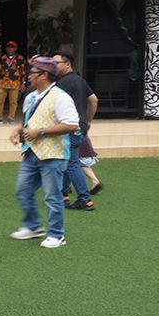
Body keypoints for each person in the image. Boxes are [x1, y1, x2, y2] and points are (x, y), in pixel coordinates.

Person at [9, 56, 79, 249]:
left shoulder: (61, 97)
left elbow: (72, 125)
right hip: (31, 152)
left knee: (52, 195)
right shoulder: (31, 96)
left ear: (44, 75)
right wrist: (18, 130)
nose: (29, 76)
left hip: (53, 155)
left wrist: (40, 132)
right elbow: (28, 122)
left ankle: (57, 234)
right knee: (22, 190)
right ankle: (33, 227)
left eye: (32, 73)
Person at [53, 50, 98, 212]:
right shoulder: (79, 80)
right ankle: (64, 195)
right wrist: (88, 121)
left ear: (67, 64)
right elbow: (93, 100)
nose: (53, 66)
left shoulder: (62, 84)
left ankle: (84, 200)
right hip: (80, 127)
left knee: (71, 164)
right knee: (65, 161)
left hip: (69, 128)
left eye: (56, 63)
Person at [0, 41, 26, 123]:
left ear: (16, 48)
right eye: (9, 47)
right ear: (6, 48)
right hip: (2, 83)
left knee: (13, 102)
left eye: (12, 47)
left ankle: (11, 118)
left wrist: (23, 84)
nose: (10, 49)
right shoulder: (2, 58)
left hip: (15, 83)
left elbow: (23, 72)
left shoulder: (20, 58)